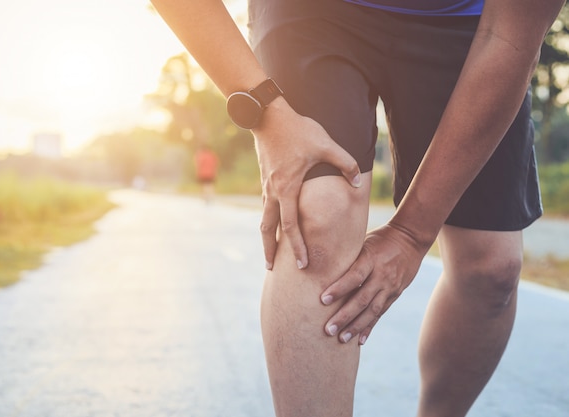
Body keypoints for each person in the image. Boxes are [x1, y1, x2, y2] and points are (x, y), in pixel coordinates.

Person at [150, 0, 564, 416]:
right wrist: (268, 115)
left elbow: (512, 37)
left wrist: (411, 234)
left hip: (467, 21)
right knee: (320, 214)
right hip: (312, 11)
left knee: (490, 268)